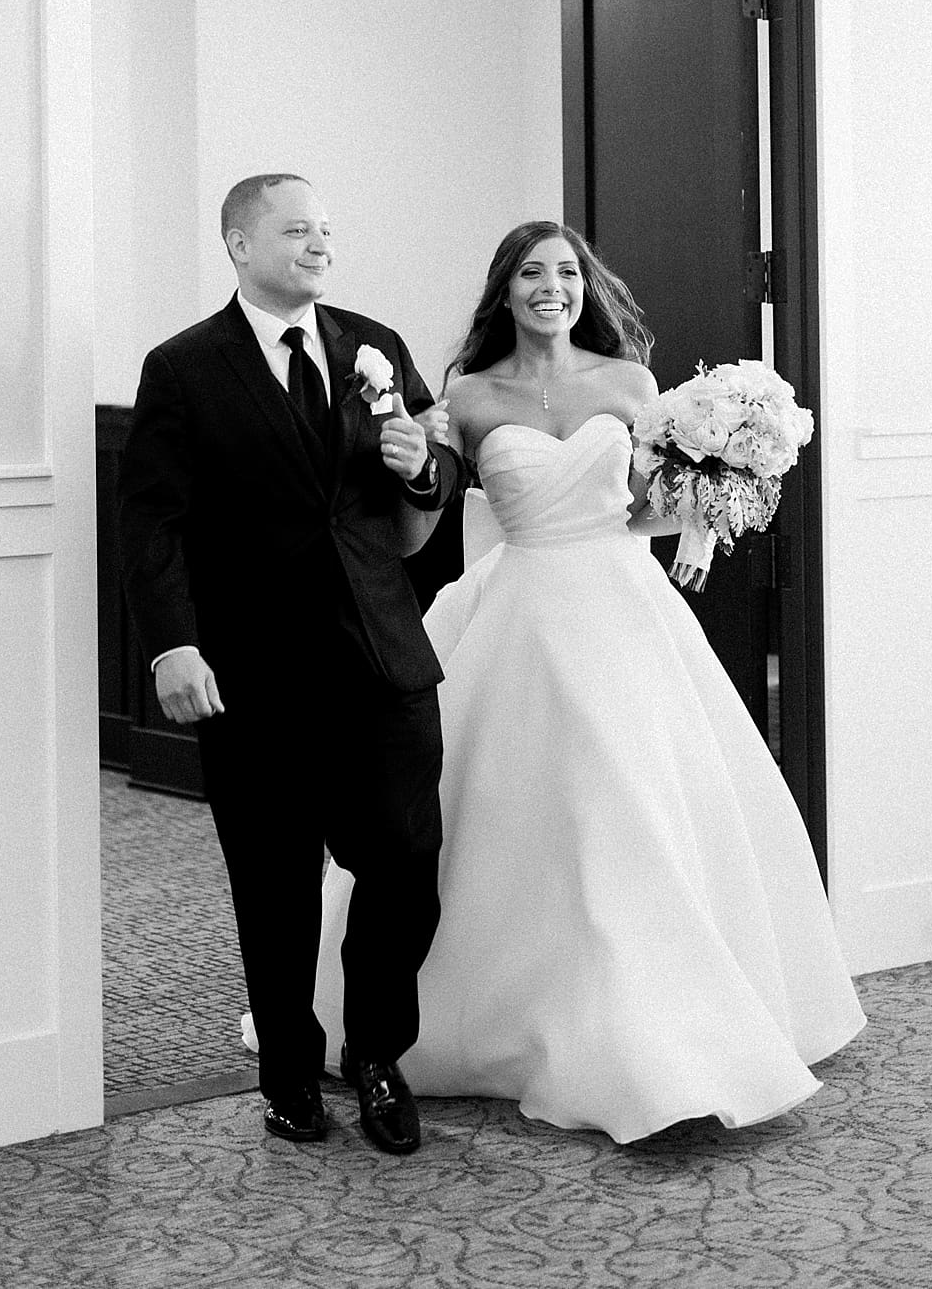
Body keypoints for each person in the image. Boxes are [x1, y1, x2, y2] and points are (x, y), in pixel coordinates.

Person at [314, 219, 866, 1144]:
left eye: (567, 272)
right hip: (523, 610)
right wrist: (408, 459)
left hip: (623, 610)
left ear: (587, 286)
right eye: (532, 273)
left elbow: (639, 508)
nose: (552, 287)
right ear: (505, 292)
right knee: (514, 819)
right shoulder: (468, 393)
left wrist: (708, 499)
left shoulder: (630, 384)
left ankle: (664, 1032)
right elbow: (426, 518)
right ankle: (510, 1018)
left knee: (636, 812)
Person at [117, 173, 465, 1154]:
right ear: (238, 243)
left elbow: (430, 480)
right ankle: (286, 1073)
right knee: (274, 886)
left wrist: (421, 466)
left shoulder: (375, 345)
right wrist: (173, 642)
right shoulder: (183, 368)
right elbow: (152, 519)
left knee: (404, 868)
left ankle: (376, 1057)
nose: (319, 245)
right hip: (252, 670)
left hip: (381, 660)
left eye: (326, 231)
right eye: (296, 230)